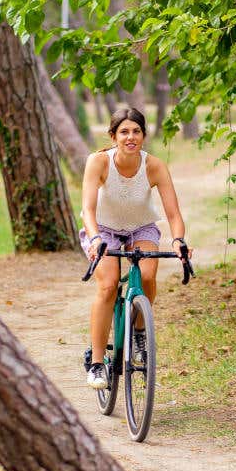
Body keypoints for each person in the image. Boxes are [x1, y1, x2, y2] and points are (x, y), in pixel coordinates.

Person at [81, 107, 189, 389]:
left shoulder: (154, 166)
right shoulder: (98, 162)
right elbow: (88, 210)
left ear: (143, 134)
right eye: (124, 132)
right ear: (114, 136)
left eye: (136, 131)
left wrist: (178, 240)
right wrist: (94, 239)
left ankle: (139, 330)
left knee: (149, 275)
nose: (131, 137)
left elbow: (174, 214)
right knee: (109, 284)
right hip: (103, 230)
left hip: (141, 227)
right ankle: (95, 361)